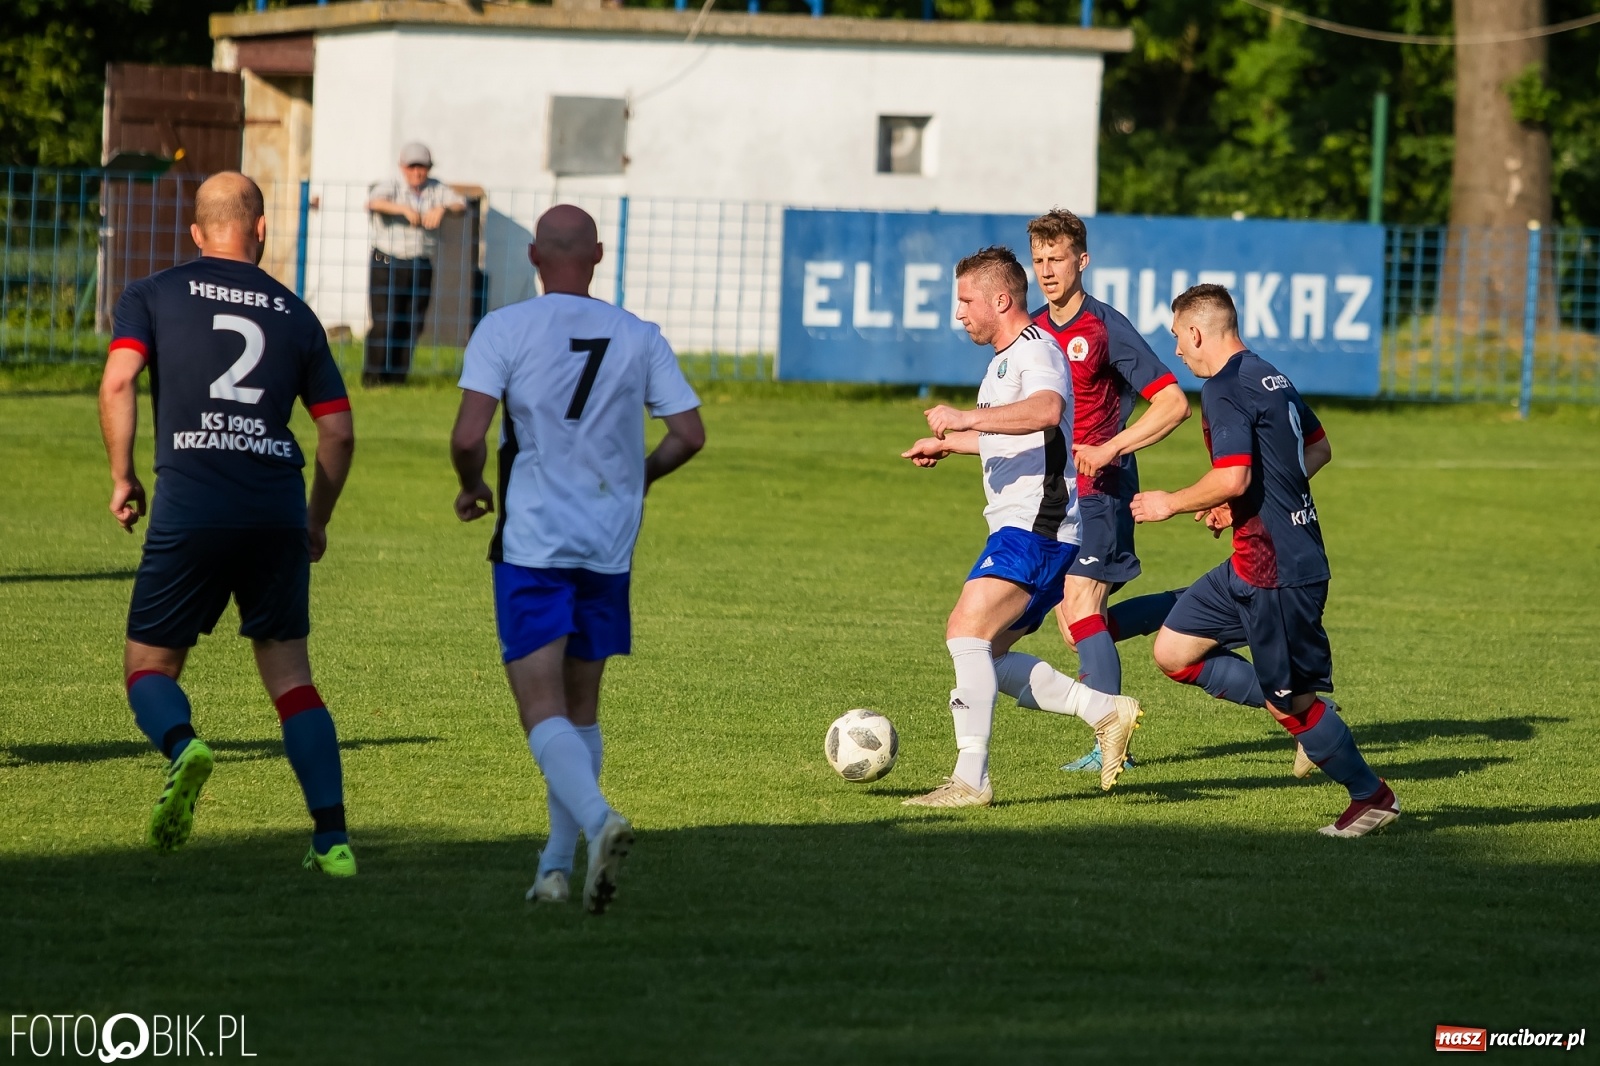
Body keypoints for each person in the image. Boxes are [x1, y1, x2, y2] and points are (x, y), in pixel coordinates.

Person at [98, 172, 358, 874]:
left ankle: (184, 745)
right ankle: (332, 841)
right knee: (292, 679)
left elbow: (119, 380)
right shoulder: (296, 314)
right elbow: (337, 432)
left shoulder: (151, 294)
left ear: (196, 232)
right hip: (275, 507)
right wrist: (315, 521)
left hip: (192, 503)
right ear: (262, 229)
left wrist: (124, 476)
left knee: (149, 667)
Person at [449, 204, 705, 913]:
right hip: (608, 541)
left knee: (541, 708)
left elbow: (469, 436)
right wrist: (639, 477)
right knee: (581, 709)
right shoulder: (638, 334)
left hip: (534, 540)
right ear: (596, 255)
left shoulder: (504, 328)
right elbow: (688, 434)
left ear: (534, 256)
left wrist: (471, 486)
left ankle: (598, 820)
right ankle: (554, 870)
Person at [1130, 284, 1400, 837]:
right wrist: (1243, 503)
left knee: (1290, 706)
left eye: (1178, 337)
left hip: (1278, 572)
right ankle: (1305, 711)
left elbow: (1233, 476)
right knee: (1174, 650)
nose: (1177, 350)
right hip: (1251, 561)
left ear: (1197, 332)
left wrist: (1171, 503)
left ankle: (1372, 796)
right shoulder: (1269, 374)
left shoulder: (1224, 388)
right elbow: (1317, 448)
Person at [900, 246, 1143, 806]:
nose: (959, 312)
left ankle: (970, 780)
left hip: (1038, 524)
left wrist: (965, 417)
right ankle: (1104, 711)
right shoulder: (1003, 359)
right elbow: (1015, 434)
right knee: (988, 654)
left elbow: (1045, 411)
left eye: (967, 301)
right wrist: (952, 444)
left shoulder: (1037, 348)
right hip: (1028, 526)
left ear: (1001, 300)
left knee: (965, 631)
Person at [1028, 209, 1191, 774]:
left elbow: (1172, 402)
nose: (1047, 270)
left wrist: (1111, 446)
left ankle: (1109, 739)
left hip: (1103, 489)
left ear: (1082, 260)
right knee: (1074, 623)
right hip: (1053, 496)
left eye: (1057, 258)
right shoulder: (1032, 331)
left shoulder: (1105, 328)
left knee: (1080, 606)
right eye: (1039, 260)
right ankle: (1194, 605)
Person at [364, 142, 467, 386]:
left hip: (420, 265)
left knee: (412, 323)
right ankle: (373, 378)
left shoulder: (436, 188)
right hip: (387, 262)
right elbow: (373, 202)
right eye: (412, 167)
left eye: (422, 167)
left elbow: (461, 204)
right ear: (402, 167)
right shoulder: (391, 185)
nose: (417, 173)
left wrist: (442, 208)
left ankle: (397, 379)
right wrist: (403, 209)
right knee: (384, 321)